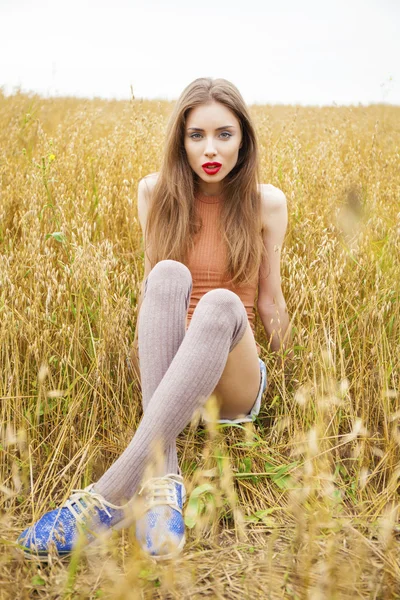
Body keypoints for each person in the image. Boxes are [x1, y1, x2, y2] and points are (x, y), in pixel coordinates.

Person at [17, 77, 291, 563]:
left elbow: (269, 302)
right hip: (171, 367)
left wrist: (295, 388)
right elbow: (154, 294)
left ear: (244, 139)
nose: (211, 148)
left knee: (221, 304)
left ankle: (106, 494)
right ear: (180, 140)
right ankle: (165, 485)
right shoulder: (154, 192)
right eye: (196, 135)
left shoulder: (267, 202)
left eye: (224, 134)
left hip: (233, 376)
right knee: (165, 273)